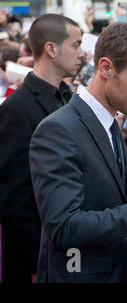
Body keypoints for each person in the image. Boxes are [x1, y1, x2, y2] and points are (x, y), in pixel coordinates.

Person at [28, 22, 127, 283]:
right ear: (105, 68)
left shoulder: (110, 124)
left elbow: (108, 208)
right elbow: (64, 227)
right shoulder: (58, 130)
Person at [0, 14, 84, 283]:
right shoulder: (16, 109)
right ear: (51, 48)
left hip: (70, 252)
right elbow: (14, 201)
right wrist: (35, 267)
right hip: (41, 261)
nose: (82, 53)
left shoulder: (68, 97)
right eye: (76, 45)